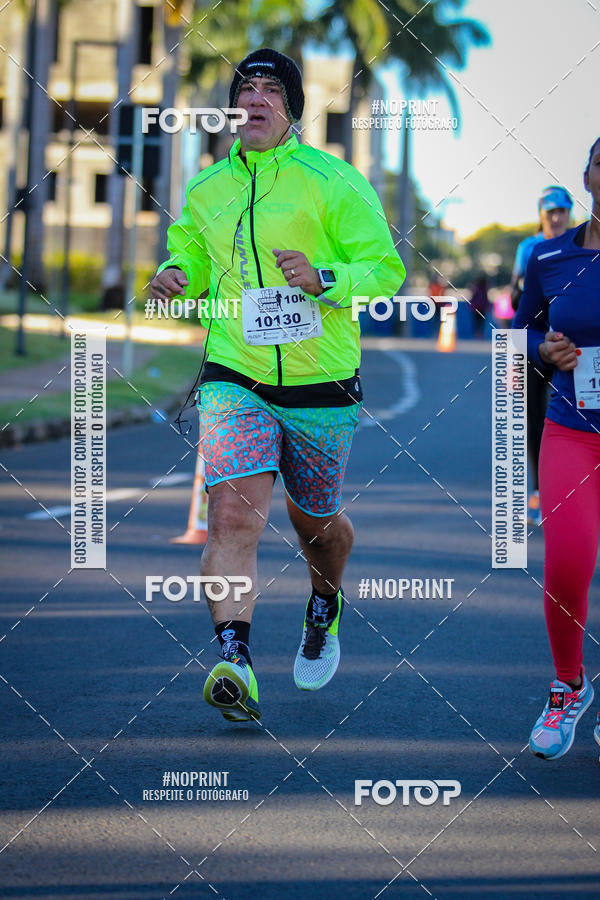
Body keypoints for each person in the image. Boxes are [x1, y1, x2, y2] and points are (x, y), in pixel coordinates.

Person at [150, 48, 405, 722]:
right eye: (246, 89)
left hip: (322, 382)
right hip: (237, 374)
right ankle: (234, 658)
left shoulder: (333, 180)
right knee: (233, 516)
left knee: (316, 525)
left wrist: (326, 278)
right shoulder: (207, 188)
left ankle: (326, 603)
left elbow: (384, 268)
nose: (256, 99)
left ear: (291, 108)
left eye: (271, 90)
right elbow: (193, 253)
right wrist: (179, 275)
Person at [513, 136, 600, 760]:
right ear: (588, 176)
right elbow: (517, 336)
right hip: (572, 429)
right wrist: (541, 350)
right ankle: (568, 686)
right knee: (567, 564)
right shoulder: (548, 258)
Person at [510, 185, 573, 525]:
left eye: (561, 212)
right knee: (534, 419)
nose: (556, 218)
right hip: (534, 345)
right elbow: (515, 302)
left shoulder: (577, 245)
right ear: (541, 215)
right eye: (550, 213)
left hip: (569, 344)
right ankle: (538, 491)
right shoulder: (529, 248)